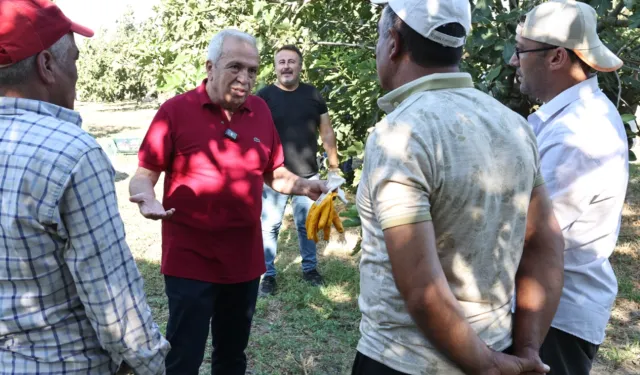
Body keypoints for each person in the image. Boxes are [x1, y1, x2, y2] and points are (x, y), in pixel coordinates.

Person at [352, 0, 566, 374]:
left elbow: (422, 291)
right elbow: (545, 243)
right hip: (497, 346)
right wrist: (526, 350)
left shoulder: (400, 135)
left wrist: (489, 366)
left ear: (393, 43)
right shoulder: (513, 125)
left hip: (402, 361)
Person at [129, 30, 327, 375]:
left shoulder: (261, 111)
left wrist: (304, 185)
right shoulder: (175, 111)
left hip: (244, 260)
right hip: (189, 259)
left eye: (252, 70)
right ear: (209, 66)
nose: (245, 78)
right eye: (235, 67)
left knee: (232, 356)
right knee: (183, 356)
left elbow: (273, 172)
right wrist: (145, 196)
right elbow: (145, 173)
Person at [0, 0, 170, 374]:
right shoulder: (72, 153)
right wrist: (148, 363)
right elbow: (110, 293)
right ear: (47, 65)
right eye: (73, 60)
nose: (75, 74)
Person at [509, 1, 629, 373]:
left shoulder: (580, 134)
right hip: (546, 307)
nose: (514, 61)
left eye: (521, 51)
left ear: (557, 57)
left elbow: (533, 234)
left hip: (553, 317)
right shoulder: (563, 119)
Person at [257, 45, 339, 295]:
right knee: (269, 225)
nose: (286, 66)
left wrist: (333, 167)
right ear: (275, 67)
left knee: (307, 225)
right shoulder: (264, 97)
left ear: (300, 65)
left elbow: (326, 131)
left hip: (309, 174)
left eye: (291, 61)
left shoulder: (313, 95)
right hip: (274, 176)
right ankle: (267, 275)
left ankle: (310, 269)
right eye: (281, 62)